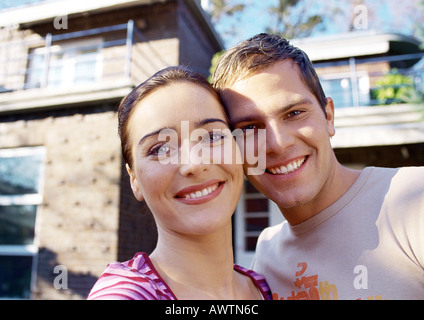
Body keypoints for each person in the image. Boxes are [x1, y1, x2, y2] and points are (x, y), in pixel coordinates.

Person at [212, 33, 424, 300]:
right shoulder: (266, 257)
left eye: (294, 113)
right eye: (250, 128)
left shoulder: (413, 199)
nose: (277, 144)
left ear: (329, 117)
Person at [87, 66, 272, 300]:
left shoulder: (265, 287)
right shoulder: (126, 294)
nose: (194, 164)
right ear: (134, 179)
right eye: (161, 148)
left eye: (213, 136)